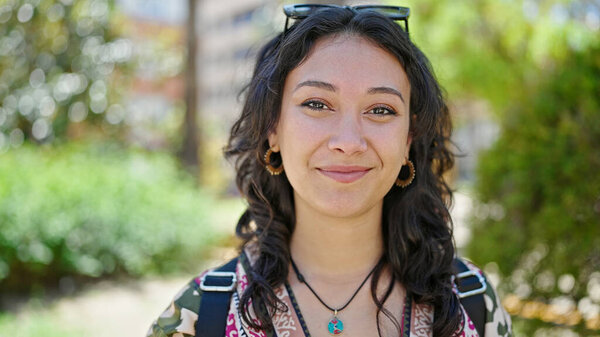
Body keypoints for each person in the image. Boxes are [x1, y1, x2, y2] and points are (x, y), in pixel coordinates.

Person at [147, 4, 512, 337]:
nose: (349, 141)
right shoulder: (201, 315)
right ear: (273, 129)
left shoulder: (472, 303)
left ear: (408, 140)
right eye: (317, 103)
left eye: (381, 109)